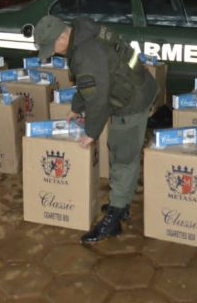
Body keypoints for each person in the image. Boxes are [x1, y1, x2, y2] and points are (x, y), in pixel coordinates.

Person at [34, 14, 158, 243]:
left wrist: (91, 133)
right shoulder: (83, 33)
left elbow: (99, 100)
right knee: (124, 151)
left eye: (52, 47)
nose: (53, 52)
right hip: (135, 86)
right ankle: (123, 204)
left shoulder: (85, 53)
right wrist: (76, 108)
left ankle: (115, 218)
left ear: (63, 35)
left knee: (122, 156)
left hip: (132, 101)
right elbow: (90, 83)